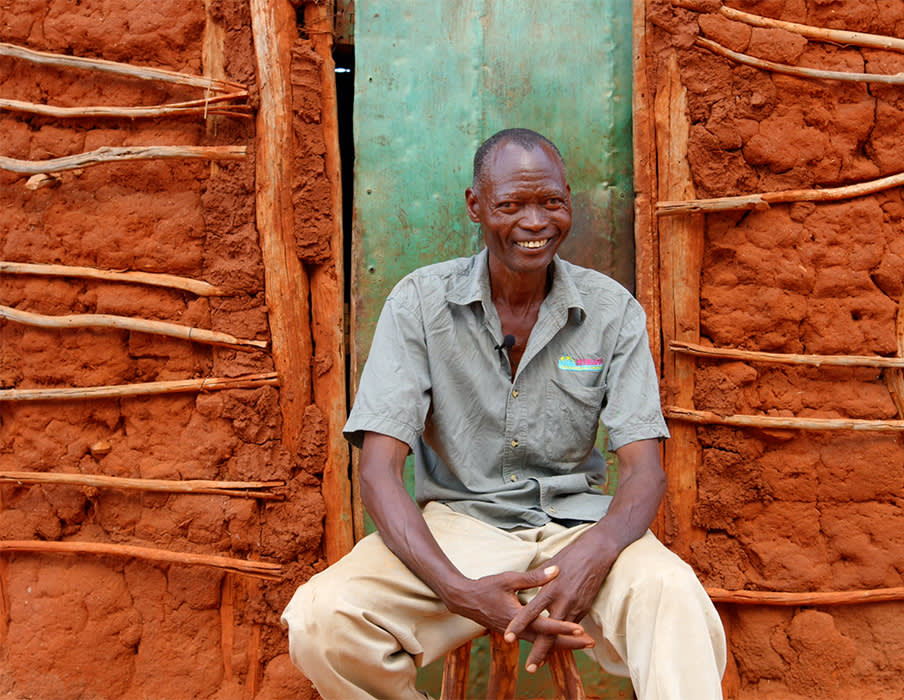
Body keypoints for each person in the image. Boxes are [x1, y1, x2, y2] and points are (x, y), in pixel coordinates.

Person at [282, 128, 726, 699]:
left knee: (675, 597)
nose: (535, 222)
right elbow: (377, 470)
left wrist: (598, 551)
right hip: (458, 529)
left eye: (551, 202)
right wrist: (457, 589)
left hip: (577, 527)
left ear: (570, 199)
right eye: (511, 205)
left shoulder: (612, 312)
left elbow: (645, 468)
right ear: (475, 206)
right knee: (322, 620)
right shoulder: (419, 304)